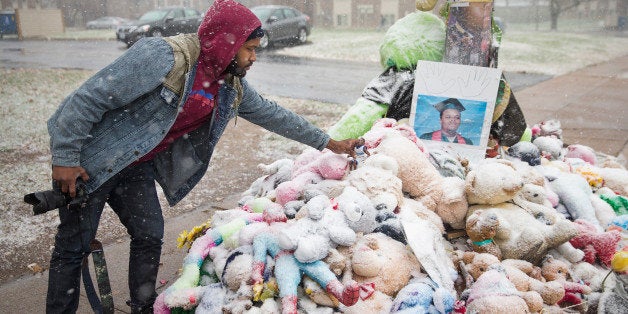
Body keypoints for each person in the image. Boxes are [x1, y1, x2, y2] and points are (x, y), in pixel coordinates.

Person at [44, 1, 361, 313]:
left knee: (149, 234)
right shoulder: (164, 57)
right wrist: (66, 157)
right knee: (73, 248)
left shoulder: (229, 85)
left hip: (134, 167)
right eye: (249, 48)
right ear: (228, 44)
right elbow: (87, 99)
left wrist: (329, 143)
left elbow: (273, 115)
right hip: (92, 162)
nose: (253, 57)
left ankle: (143, 306)